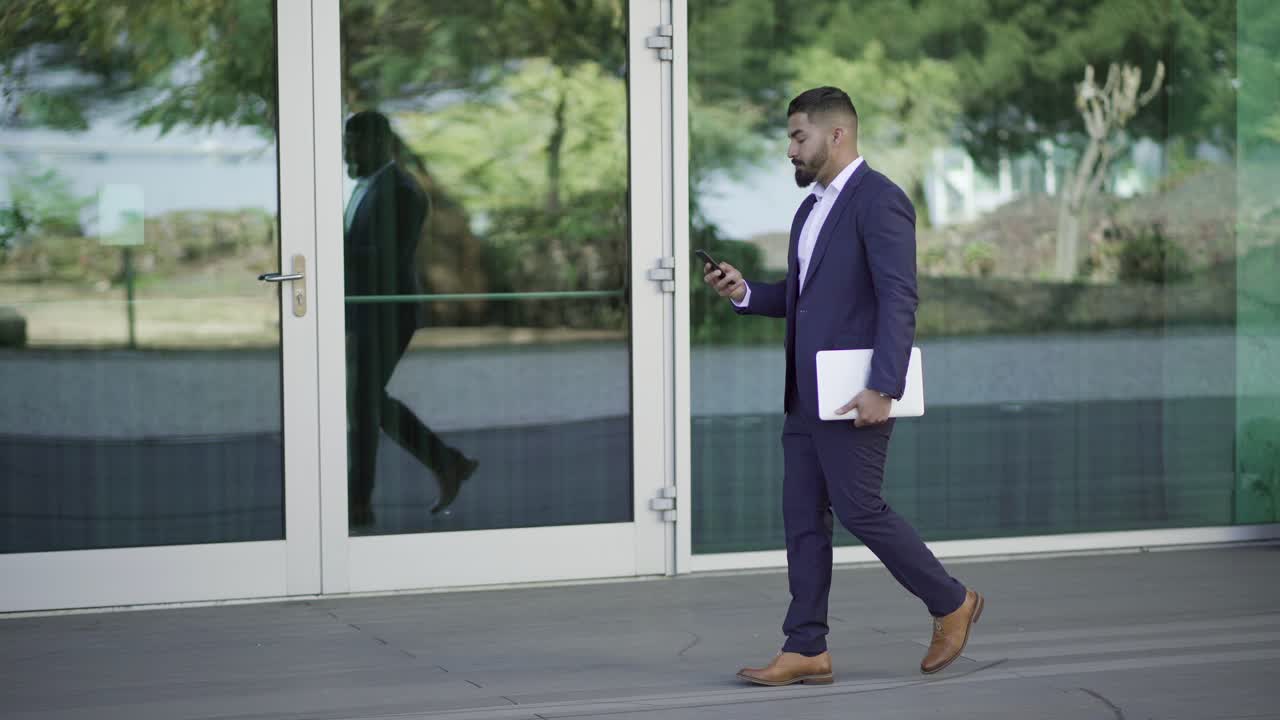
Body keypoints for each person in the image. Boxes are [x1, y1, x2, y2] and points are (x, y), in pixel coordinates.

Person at [701, 87, 983, 685]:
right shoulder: (810, 211)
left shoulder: (880, 201)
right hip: (806, 396)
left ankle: (951, 600)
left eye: (798, 137)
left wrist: (886, 384)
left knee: (860, 507)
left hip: (856, 393)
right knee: (802, 517)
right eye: (789, 139)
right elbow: (803, 299)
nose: (790, 151)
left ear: (837, 135)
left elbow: (898, 298)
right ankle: (806, 647)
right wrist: (746, 292)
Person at [343, 110, 478, 528]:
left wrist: (327, 251)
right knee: (363, 401)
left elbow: (383, 258)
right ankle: (445, 462)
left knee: (362, 403)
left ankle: (359, 502)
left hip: (387, 311)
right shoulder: (372, 187)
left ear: (380, 143)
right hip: (367, 310)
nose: (347, 152)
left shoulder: (400, 189)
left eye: (354, 144)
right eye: (346, 144)